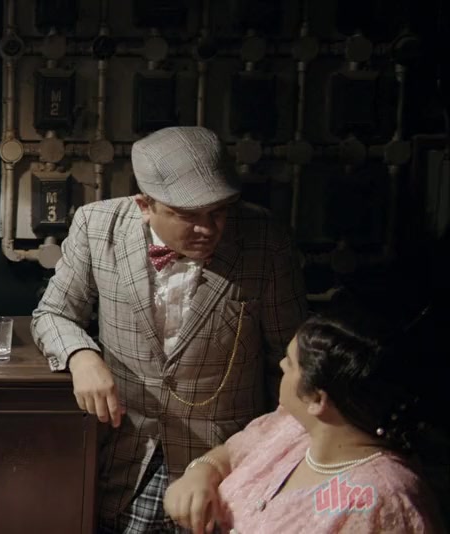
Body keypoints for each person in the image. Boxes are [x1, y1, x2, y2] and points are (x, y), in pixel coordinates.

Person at [31, 126, 308, 532]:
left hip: (224, 472)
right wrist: (81, 356)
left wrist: (278, 462)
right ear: (145, 205)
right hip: (126, 463)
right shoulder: (96, 225)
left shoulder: (265, 239)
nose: (208, 229)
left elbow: (293, 365)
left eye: (219, 211)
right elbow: (53, 313)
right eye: (189, 215)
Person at [163, 306, 446, 533]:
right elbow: (230, 453)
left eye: (290, 363)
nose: (281, 365)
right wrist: (200, 474)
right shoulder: (292, 427)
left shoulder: (383, 499)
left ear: (317, 400)